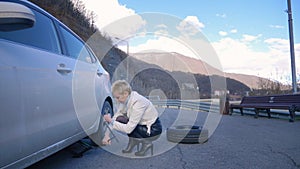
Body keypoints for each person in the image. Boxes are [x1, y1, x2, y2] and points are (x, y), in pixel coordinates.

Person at [103, 80, 162, 156]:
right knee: (120, 118)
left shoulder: (138, 103)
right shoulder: (126, 100)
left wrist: (111, 121)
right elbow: (116, 117)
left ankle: (147, 143)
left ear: (125, 93)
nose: (117, 100)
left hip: (154, 130)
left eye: (118, 97)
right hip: (142, 126)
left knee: (126, 123)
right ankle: (133, 141)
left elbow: (128, 129)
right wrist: (106, 135)